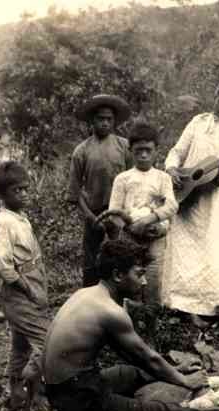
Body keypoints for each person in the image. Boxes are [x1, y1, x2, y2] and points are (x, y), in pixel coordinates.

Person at [43, 239, 219, 411]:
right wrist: (184, 380)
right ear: (118, 275)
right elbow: (147, 358)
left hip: (64, 389)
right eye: (139, 274)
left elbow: (133, 355)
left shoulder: (86, 294)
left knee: (130, 373)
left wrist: (175, 367)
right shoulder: (110, 311)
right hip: (79, 398)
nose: (144, 281)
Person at [162, 77, 219, 328]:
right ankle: (185, 306)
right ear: (215, 97)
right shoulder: (198, 122)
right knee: (188, 250)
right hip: (191, 196)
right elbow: (176, 152)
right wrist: (172, 170)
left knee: (218, 249)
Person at [0, 161, 49, 410]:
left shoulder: (19, 218)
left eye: (26, 189)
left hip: (32, 282)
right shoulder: (4, 223)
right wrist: (25, 286)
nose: (24, 194)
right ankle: (33, 389)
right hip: (18, 293)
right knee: (47, 342)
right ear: (1, 195)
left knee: (21, 345)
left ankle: (17, 395)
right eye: (17, 190)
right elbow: (1, 262)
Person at [109, 122, 178, 305]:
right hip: (131, 237)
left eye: (148, 150)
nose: (144, 155)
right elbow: (114, 213)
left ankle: (152, 318)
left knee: (154, 279)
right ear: (130, 150)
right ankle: (130, 320)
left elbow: (171, 206)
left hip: (156, 237)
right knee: (130, 280)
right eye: (139, 150)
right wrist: (131, 227)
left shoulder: (163, 178)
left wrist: (151, 220)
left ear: (156, 151)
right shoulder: (123, 179)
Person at [67, 94, 132, 287]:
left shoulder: (124, 146)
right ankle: (89, 295)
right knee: (90, 257)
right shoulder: (82, 151)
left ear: (114, 122)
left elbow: (133, 180)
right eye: (100, 119)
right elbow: (75, 190)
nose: (105, 123)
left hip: (119, 211)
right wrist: (90, 217)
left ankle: (119, 295)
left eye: (109, 119)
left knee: (121, 253)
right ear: (92, 121)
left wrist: (125, 214)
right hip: (94, 212)